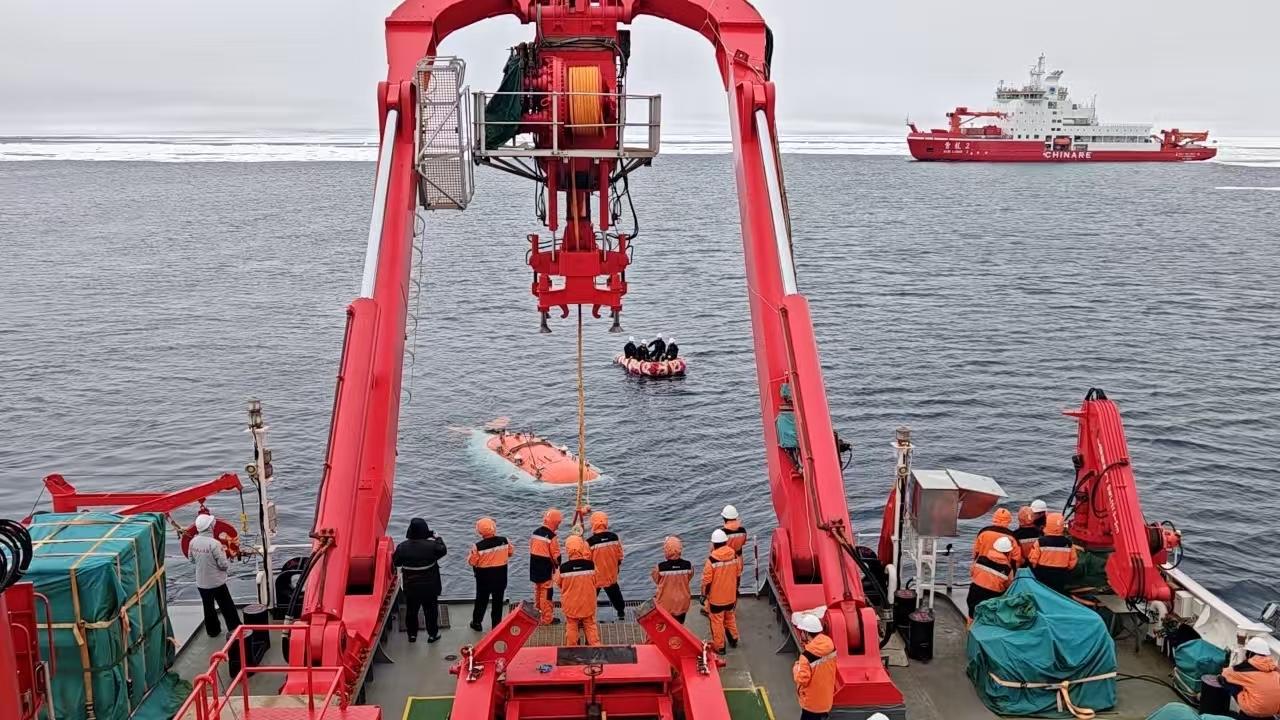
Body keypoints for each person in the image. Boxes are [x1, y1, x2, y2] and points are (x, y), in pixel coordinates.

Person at [393, 517, 447, 643]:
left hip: (411, 586)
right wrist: (437, 538)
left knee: (411, 611)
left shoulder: (402, 547)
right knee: (431, 611)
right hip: (430, 587)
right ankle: (432, 635)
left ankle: (412, 635)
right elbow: (442, 550)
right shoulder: (432, 546)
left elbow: (396, 562)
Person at [188, 513, 241, 638]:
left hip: (201, 583)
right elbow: (223, 564)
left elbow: (191, 559)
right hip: (217, 582)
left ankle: (213, 631)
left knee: (208, 607)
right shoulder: (214, 544)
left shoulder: (192, 542)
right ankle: (235, 628)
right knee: (227, 606)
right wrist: (227, 558)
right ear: (210, 527)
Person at [467, 516, 513, 631]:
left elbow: (472, 562)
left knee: (481, 601)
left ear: (479, 531)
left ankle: (477, 623)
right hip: (500, 577)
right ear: (494, 528)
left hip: (484, 579)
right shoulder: (505, 541)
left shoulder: (477, 546)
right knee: (498, 603)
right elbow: (510, 553)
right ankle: (496, 627)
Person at [792, 611, 837, 720]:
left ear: (807, 633)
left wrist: (796, 668)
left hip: (811, 704)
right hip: (826, 701)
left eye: (802, 632)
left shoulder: (806, 657)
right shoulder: (830, 646)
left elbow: (802, 680)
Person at [1221, 637, 1280, 720]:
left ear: (1250, 653)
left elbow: (1225, 674)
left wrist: (1240, 664)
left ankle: (1223, 707)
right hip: (1273, 710)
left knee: (1225, 681)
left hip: (1254, 711)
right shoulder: (1274, 668)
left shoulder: (1247, 667)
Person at [558, 535, 601, 646]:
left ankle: (571, 649)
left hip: (571, 604)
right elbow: (597, 580)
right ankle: (596, 647)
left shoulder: (563, 568)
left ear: (567, 549)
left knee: (571, 626)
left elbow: (558, 582)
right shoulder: (591, 565)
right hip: (588, 603)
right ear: (582, 547)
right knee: (590, 625)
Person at [703, 528, 739, 655]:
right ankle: (734, 639)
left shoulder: (711, 561)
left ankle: (720, 647)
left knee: (716, 622)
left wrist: (704, 595)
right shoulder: (734, 556)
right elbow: (738, 573)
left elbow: (707, 582)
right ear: (725, 542)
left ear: (714, 544)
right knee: (730, 617)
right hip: (731, 596)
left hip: (716, 600)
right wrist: (736, 590)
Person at [587, 511, 626, 622]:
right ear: (606, 522)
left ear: (592, 523)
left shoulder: (590, 542)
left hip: (596, 577)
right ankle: (621, 612)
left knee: (590, 598)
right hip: (611, 574)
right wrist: (616, 567)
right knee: (615, 594)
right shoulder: (614, 537)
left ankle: (587, 615)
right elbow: (620, 556)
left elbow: (587, 559)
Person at [1027, 512, 1078, 594]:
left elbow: (1033, 560)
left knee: (1043, 591)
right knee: (1058, 591)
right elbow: (1073, 562)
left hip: (1043, 574)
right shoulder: (1068, 543)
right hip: (1061, 575)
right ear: (1062, 526)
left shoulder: (1040, 542)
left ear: (1047, 524)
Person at [967, 535, 1015, 619]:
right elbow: (1008, 585)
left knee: (972, 614)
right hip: (993, 596)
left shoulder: (980, 559)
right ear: (1008, 552)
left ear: (995, 548)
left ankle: (970, 625)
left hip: (975, 591)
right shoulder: (1008, 569)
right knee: (989, 617)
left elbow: (971, 573)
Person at [530, 508, 563, 625]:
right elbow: (556, 555)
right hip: (545, 567)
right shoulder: (551, 536)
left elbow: (531, 547)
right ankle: (547, 618)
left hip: (534, 565)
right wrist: (558, 565)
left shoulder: (535, 532)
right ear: (554, 522)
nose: (558, 526)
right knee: (547, 593)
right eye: (558, 523)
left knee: (537, 589)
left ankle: (537, 612)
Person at [651, 536, 693, 622]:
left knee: (667, 624)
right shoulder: (688, 565)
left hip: (666, 603)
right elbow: (689, 577)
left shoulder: (660, 567)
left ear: (666, 550)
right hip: (682, 602)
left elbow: (656, 579)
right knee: (679, 624)